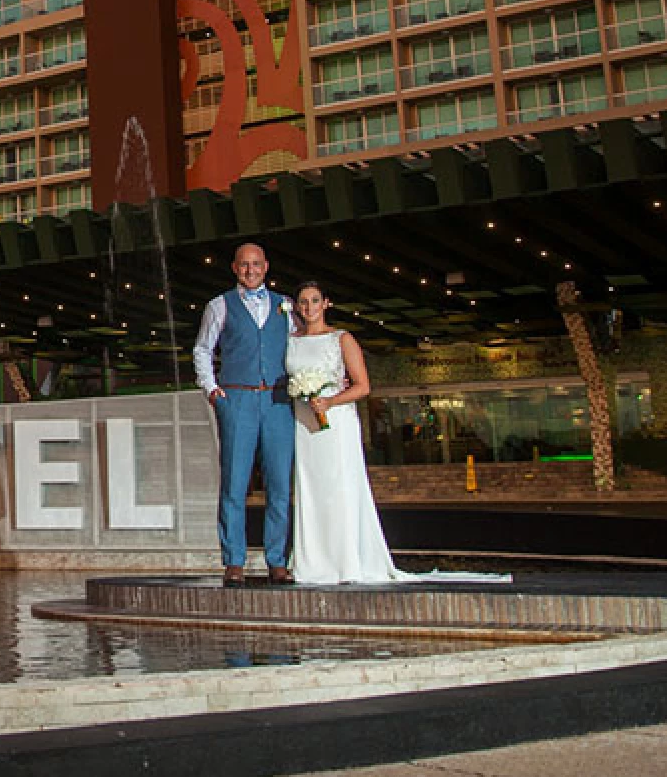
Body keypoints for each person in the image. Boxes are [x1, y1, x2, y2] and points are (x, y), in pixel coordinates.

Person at [286, 280, 507, 586]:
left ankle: (347, 561)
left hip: (336, 424)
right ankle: (313, 563)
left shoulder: (342, 339)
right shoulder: (291, 342)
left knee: (340, 487)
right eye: (303, 302)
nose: (308, 307)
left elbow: (363, 387)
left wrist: (330, 400)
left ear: (326, 303)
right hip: (304, 424)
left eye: (314, 301)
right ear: (297, 306)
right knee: (310, 489)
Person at [191, 242, 295, 587]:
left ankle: (277, 561)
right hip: (237, 399)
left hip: (278, 401)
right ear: (235, 268)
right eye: (244, 265)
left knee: (280, 485)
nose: (250, 270)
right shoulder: (219, 305)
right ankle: (234, 560)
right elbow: (203, 349)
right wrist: (212, 389)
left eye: (256, 264)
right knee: (235, 483)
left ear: (266, 267)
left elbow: (299, 349)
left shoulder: (286, 307)